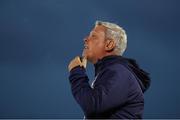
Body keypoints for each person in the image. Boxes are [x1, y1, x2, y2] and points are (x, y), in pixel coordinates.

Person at [68, 21, 150, 119]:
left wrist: (77, 73)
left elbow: (93, 106)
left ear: (109, 45)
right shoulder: (111, 72)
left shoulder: (120, 72)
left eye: (93, 36)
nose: (85, 39)